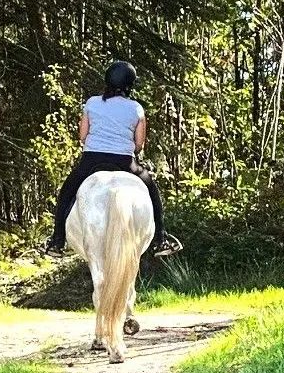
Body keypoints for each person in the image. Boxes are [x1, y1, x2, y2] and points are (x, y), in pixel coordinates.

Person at [43, 61, 182, 258]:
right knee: (151, 189)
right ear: (129, 84)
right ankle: (160, 239)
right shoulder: (136, 108)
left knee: (67, 192)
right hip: (125, 162)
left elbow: (82, 137)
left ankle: (56, 241)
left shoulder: (91, 103)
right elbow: (139, 144)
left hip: (91, 160)